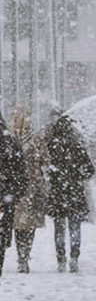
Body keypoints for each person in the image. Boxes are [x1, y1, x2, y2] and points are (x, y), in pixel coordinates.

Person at [46, 115, 95, 273]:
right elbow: (89, 170)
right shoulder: (77, 146)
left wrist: (55, 175)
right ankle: (74, 257)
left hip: (58, 192)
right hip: (74, 192)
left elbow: (47, 169)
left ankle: (61, 258)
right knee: (75, 227)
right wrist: (77, 174)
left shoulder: (52, 146)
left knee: (59, 228)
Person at [11, 108, 48, 273]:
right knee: (21, 225)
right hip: (22, 187)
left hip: (28, 187)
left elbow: (45, 159)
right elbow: (45, 160)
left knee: (26, 225)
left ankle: (24, 256)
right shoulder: (10, 139)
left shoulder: (34, 139)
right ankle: (23, 257)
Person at [0, 112, 27, 278]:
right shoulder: (10, 141)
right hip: (4, 198)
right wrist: (13, 194)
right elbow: (21, 174)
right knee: (2, 234)